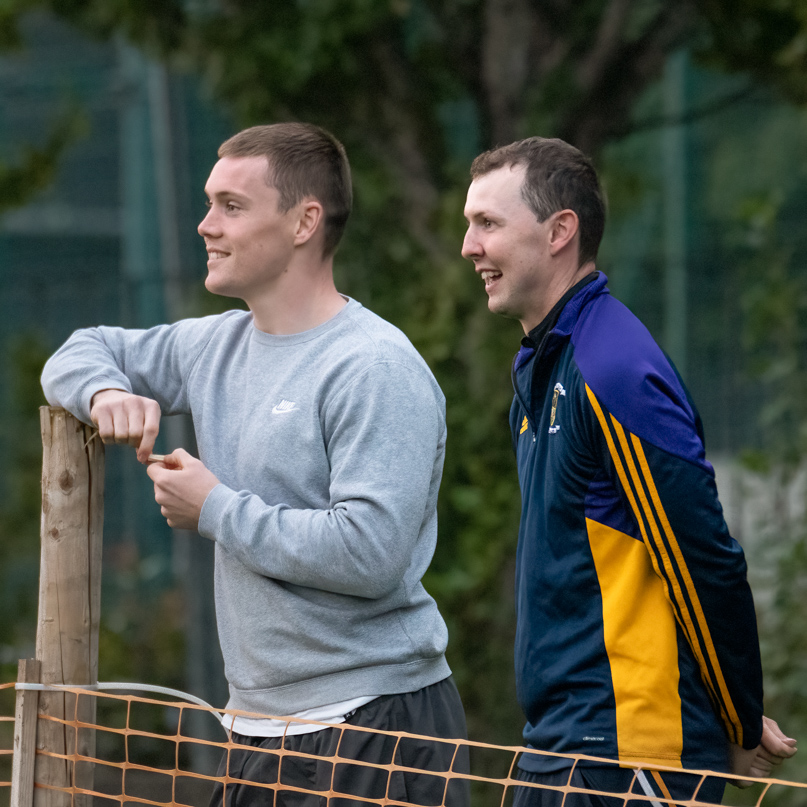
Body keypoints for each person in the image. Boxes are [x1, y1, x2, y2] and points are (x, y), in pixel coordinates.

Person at [41, 122, 468, 807]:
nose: (206, 225)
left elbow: (371, 553)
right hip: (256, 728)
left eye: (231, 206)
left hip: (372, 723)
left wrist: (214, 508)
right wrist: (106, 391)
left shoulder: (375, 366)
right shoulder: (211, 344)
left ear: (304, 222)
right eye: (209, 203)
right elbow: (78, 350)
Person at [460, 136, 797, 806]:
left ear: (560, 231)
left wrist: (731, 717)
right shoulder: (545, 361)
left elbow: (702, 560)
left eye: (487, 224)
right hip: (559, 749)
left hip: (626, 759)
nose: (469, 246)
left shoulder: (612, 366)